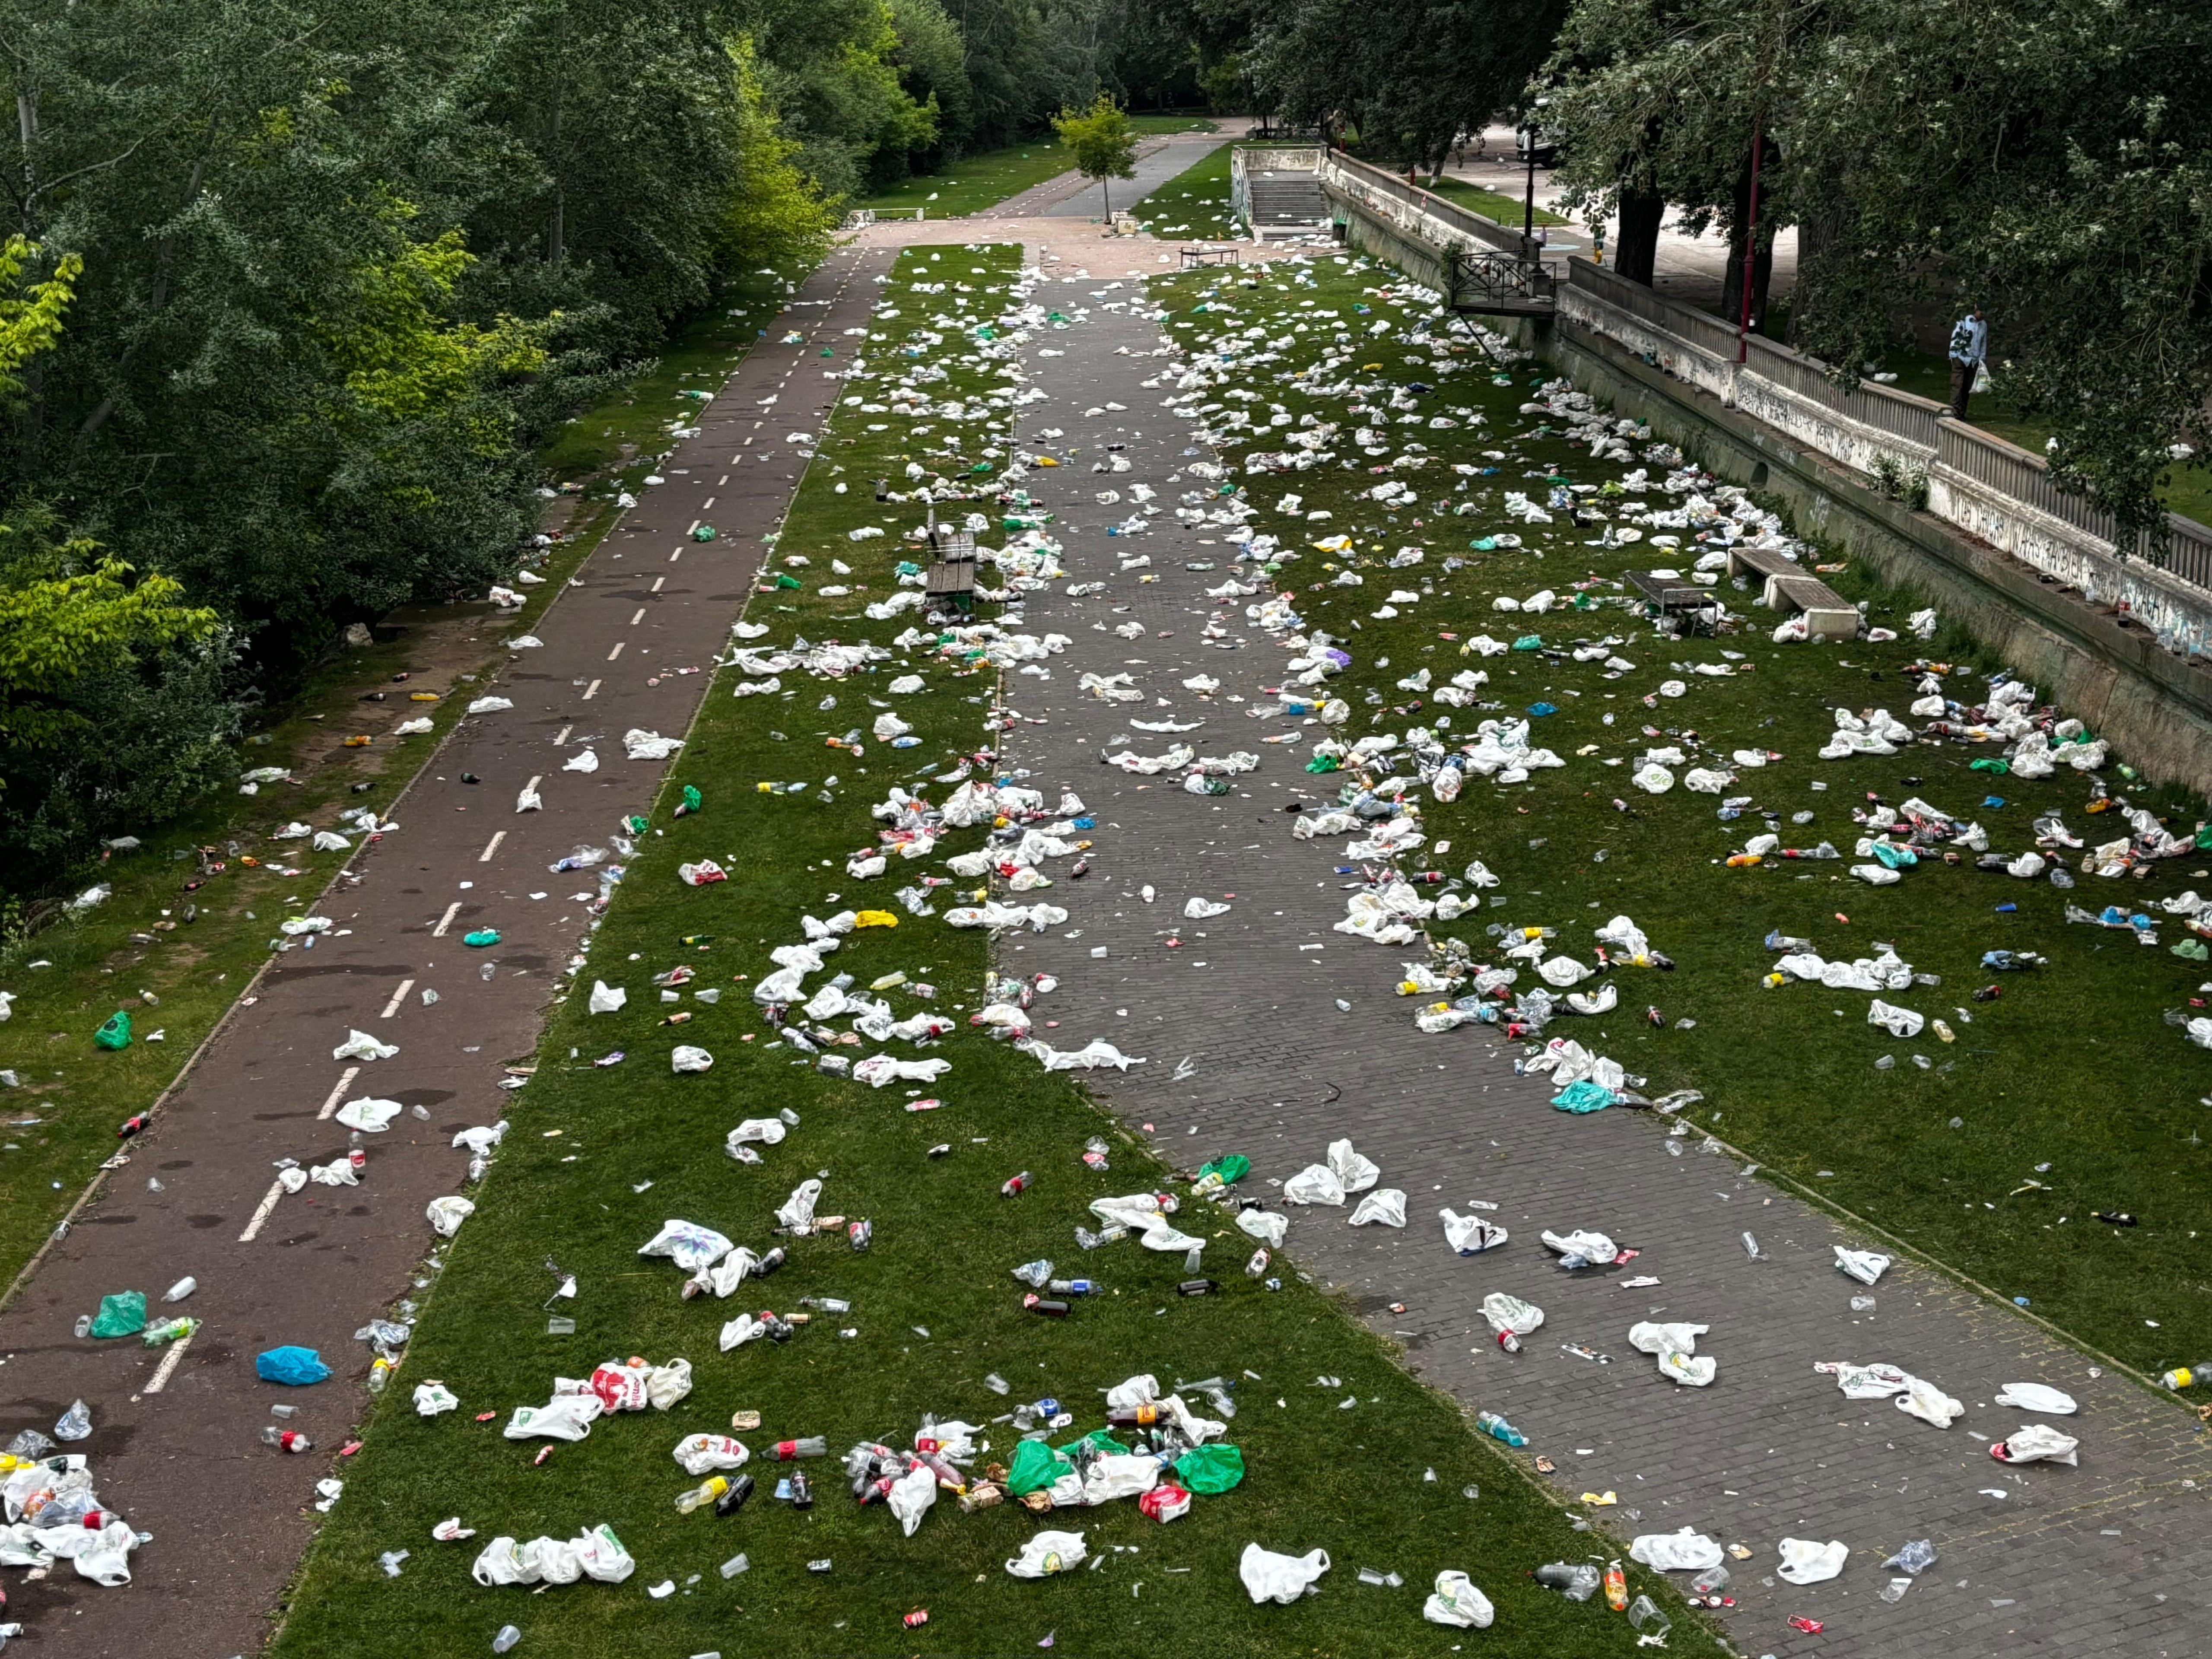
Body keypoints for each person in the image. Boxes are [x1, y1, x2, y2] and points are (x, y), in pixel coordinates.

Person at [1948, 307, 1988, 419]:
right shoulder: (1965, 321)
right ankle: (1955, 411)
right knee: (1958, 384)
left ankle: (1962, 412)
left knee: (1967, 386)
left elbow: (1983, 341)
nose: (1983, 315)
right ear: (1976, 309)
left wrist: (1982, 357)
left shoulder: (1983, 325)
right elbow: (1955, 337)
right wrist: (1954, 354)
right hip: (1960, 356)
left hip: (1974, 360)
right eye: (1981, 312)